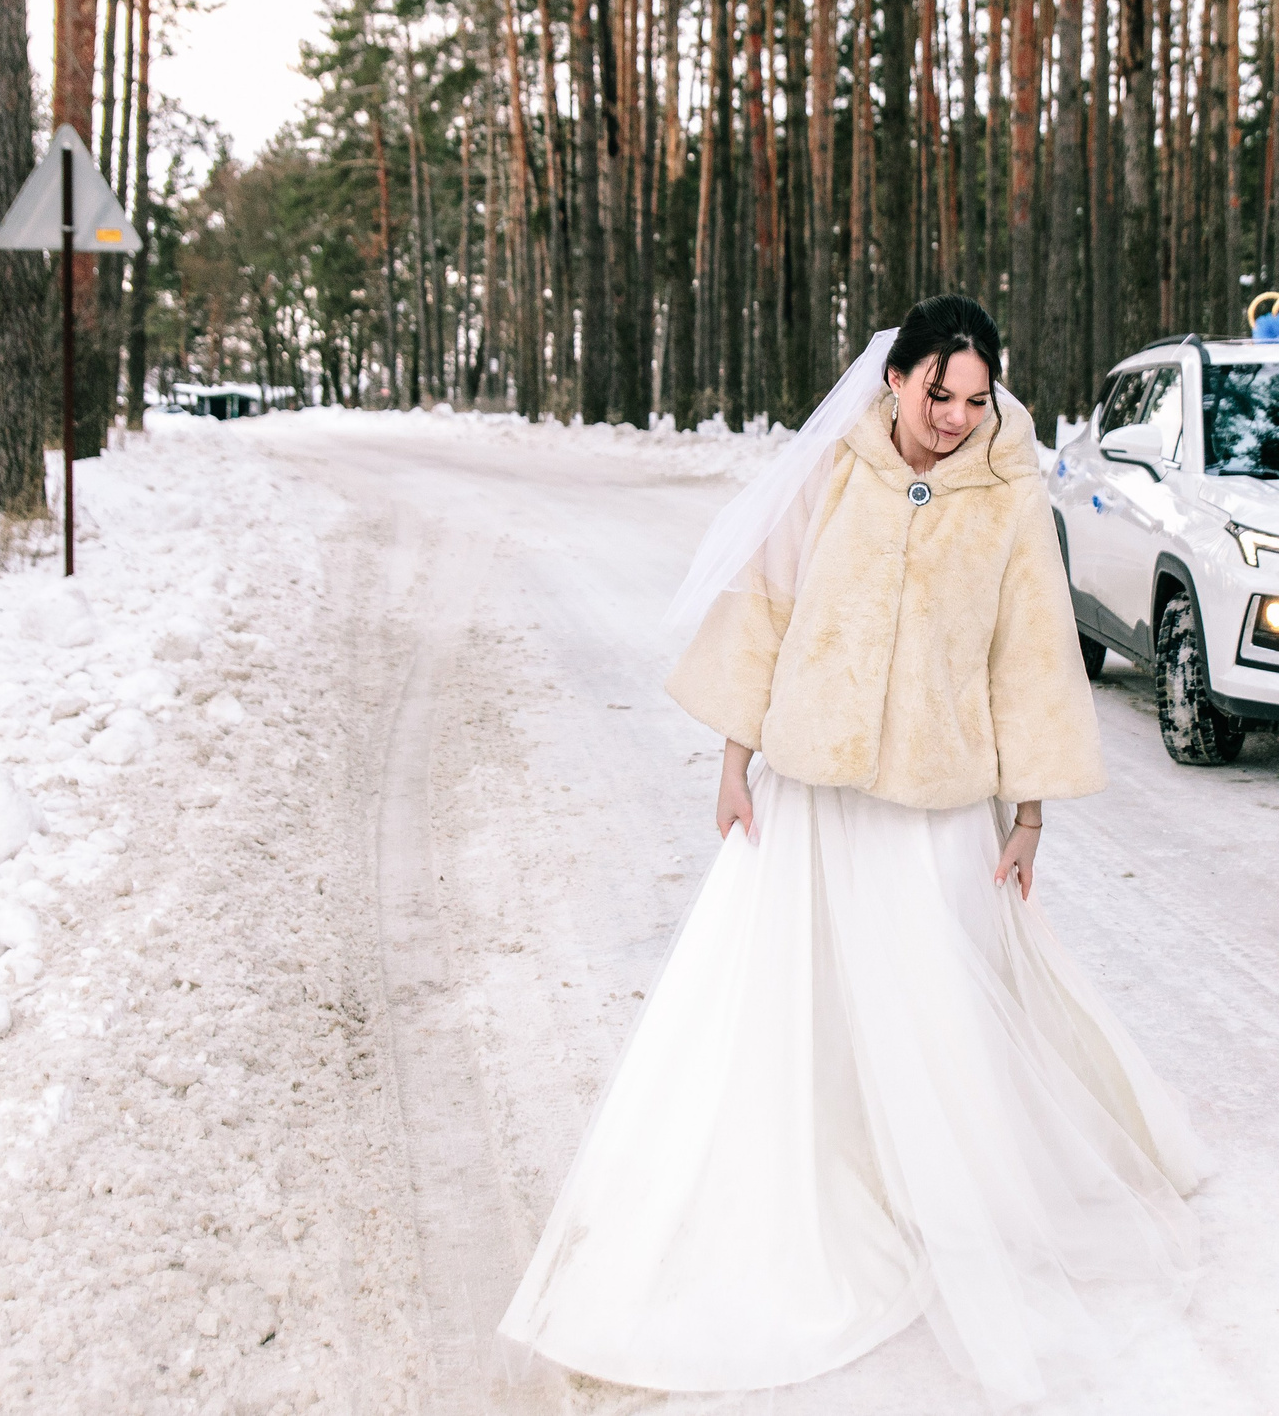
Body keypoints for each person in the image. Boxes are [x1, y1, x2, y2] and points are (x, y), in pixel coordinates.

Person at [497, 295, 1207, 1406]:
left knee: (936, 1006)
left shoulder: (1007, 488)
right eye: (938, 394)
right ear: (896, 380)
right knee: (801, 1002)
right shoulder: (833, 470)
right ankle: (815, 1182)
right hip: (817, 786)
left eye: (975, 399)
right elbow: (766, 613)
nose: (955, 418)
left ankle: (935, 1187)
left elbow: (1029, 653)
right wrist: (734, 758)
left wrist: (1029, 814)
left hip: (936, 800)